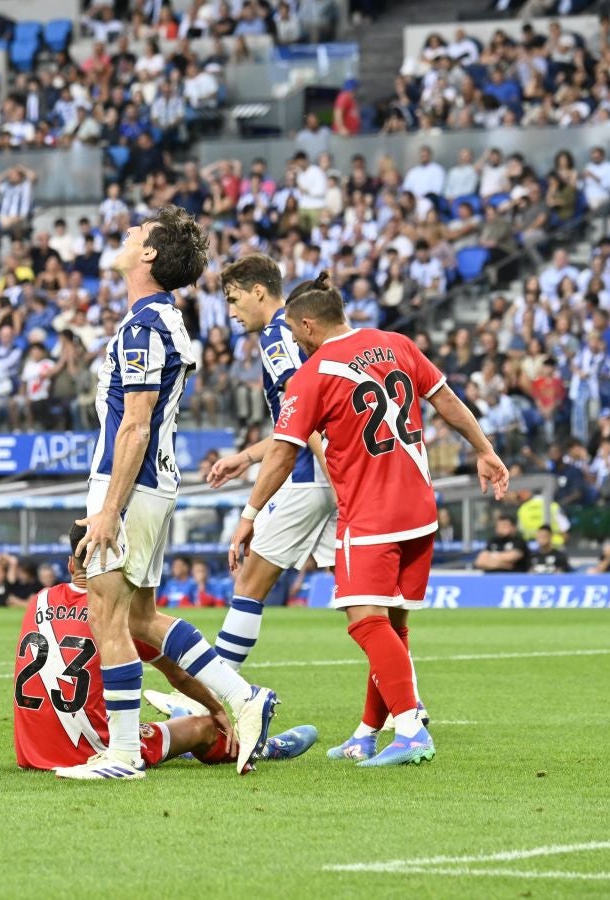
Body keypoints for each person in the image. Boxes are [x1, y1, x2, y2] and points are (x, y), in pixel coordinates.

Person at [235, 272, 509, 767]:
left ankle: (409, 729)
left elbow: (281, 454)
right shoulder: (397, 344)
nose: (296, 342)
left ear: (309, 325)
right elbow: (445, 399)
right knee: (393, 625)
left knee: (365, 623)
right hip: (421, 511)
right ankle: (366, 731)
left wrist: (250, 512)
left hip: (370, 513)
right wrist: (485, 451)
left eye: (298, 335)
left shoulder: (315, 371)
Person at [63, 207, 278, 781]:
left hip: (128, 484)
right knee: (139, 617)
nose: (128, 235)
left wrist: (108, 509)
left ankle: (124, 754)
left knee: (105, 614)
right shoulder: (166, 319)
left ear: (150, 254)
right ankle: (243, 695)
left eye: (137, 233)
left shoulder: (142, 327)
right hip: (155, 483)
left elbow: (134, 423)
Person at [15, 525, 318, 772]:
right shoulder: (120, 615)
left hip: (31, 751)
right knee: (206, 728)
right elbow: (180, 676)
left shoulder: (39, 600)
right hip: (88, 751)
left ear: (70, 564)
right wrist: (217, 710)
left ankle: (176, 720)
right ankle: (260, 747)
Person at [206, 254, 337, 671]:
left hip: (307, 480)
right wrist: (245, 457)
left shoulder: (277, 336)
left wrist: (334, 477)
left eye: (234, 299)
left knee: (248, 583)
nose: (230, 312)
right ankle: (407, 702)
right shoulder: (297, 330)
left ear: (258, 292)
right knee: (360, 602)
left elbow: (307, 417)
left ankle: (210, 696)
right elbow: (294, 423)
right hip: (328, 476)